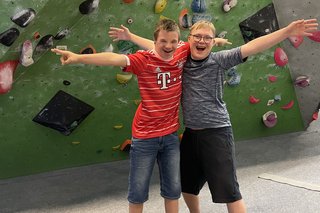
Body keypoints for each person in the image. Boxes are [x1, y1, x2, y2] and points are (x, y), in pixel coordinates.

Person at [108, 18, 318, 213]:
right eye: (197, 37)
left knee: (228, 190)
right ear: (188, 40)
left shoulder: (219, 60)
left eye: (207, 38)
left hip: (217, 132)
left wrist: (286, 31)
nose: (202, 41)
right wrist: (131, 36)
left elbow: (254, 45)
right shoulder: (180, 58)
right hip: (191, 133)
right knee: (188, 187)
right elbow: (160, 45)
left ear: (211, 42)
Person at [52, 19, 191, 213]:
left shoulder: (182, 51)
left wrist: (216, 40)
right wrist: (77, 57)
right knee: (138, 190)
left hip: (170, 135)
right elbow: (112, 58)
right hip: (145, 137)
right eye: (163, 42)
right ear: (155, 41)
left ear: (179, 41)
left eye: (173, 41)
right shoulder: (143, 60)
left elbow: (201, 41)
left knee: (173, 189)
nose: (168, 46)